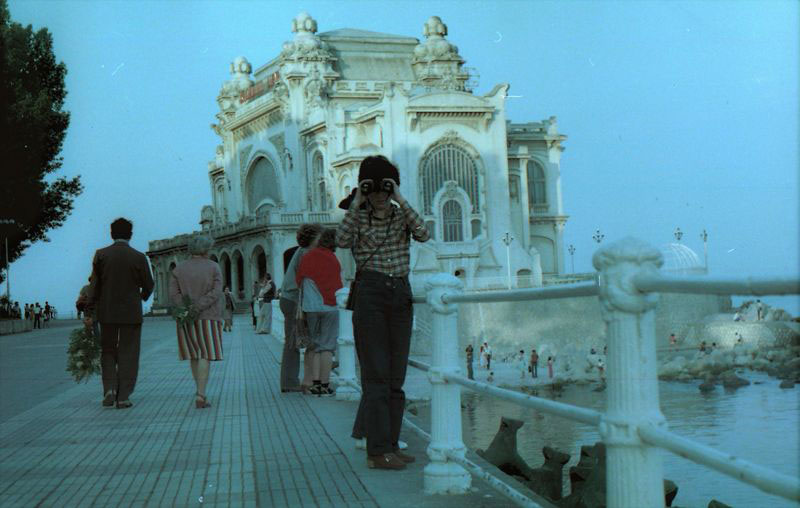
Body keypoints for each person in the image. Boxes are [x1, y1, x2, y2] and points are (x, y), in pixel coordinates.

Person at [337, 155, 430, 470]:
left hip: (400, 293)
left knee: (395, 377)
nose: (379, 194)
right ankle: (377, 452)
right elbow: (342, 240)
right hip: (371, 294)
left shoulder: (400, 214)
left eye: (385, 188)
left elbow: (424, 233)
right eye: (374, 188)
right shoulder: (358, 217)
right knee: (376, 375)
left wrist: (400, 198)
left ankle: (391, 444)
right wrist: (357, 201)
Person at [88, 218, 154, 409]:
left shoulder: (101, 255)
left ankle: (109, 390)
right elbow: (149, 284)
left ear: (111, 234)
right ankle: (123, 396)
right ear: (130, 235)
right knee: (129, 353)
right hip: (131, 313)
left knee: (108, 350)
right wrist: (141, 297)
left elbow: (94, 286)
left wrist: (89, 310)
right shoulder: (139, 257)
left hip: (107, 312)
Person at [168, 235, 224, 409]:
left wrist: (186, 307)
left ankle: (199, 391)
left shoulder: (179, 269)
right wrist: (199, 306)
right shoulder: (213, 267)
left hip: (186, 317)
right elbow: (217, 291)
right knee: (205, 354)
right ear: (206, 249)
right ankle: (201, 394)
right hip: (209, 316)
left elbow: (173, 294)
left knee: (193, 354)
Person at [297, 228, 342, 397]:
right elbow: (338, 285)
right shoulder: (333, 259)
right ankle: (325, 385)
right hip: (330, 307)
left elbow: (299, 280)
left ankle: (314, 384)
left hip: (311, 307)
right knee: (327, 347)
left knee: (314, 346)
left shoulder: (307, 257)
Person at [279, 224, 323, 393]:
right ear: (313, 238)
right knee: (292, 342)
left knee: (295, 340)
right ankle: (289, 382)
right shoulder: (306, 253)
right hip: (293, 300)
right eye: (320, 236)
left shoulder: (302, 252)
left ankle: (297, 377)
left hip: (290, 299)